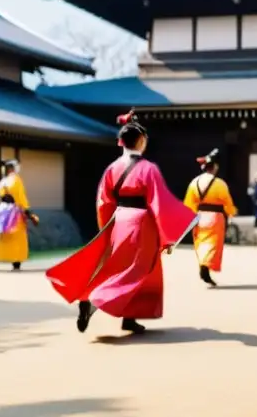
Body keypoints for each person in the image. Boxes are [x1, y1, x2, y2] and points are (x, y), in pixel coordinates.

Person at [46, 110, 197, 334]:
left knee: (121, 267)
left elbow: (103, 202)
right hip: (141, 222)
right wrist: (168, 235)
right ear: (141, 141)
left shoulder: (112, 168)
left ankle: (129, 317)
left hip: (119, 221)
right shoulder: (148, 169)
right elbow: (160, 202)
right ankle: (95, 301)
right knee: (138, 270)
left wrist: (106, 228)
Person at [184, 148, 238, 287]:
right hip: (215, 217)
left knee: (201, 243)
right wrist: (232, 212)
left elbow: (189, 204)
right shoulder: (220, 184)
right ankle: (205, 267)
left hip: (199, 217)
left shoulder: (194, 183)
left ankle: (203, 265)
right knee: (212, 245)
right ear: (214, 167)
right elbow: (227, 203)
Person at [0, 158, 39, 272]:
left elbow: (3, 197)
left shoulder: (3, 182)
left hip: (4, 211)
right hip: (15, 213)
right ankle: (16, 261)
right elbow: (21, 198)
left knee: (1, 235)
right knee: (16, 237)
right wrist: (29, 213)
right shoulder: (16, 180)